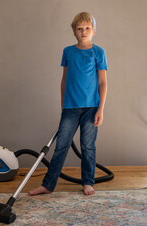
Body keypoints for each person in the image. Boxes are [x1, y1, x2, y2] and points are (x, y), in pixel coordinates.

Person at [28, 12, 108, 196]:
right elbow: (64, 80)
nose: (83, 32)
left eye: (87, 28)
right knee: (61, 146)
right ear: (74, 32)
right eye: (79, 29)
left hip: (92, 108)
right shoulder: (68, 52)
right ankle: (48, 185)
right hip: (70, 107)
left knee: (88, 146)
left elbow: (103, 82)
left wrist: (101, 109)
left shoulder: (98, 52)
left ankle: (88, 182)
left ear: (93, 30)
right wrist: (63, 104)